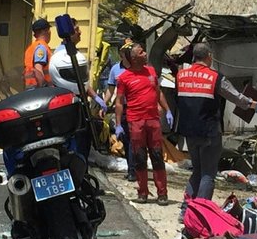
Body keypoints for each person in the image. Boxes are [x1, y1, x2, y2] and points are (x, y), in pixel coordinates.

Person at [176, 42, 257, 220]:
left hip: (189, 132)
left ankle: (185, 211)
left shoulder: (181, 75)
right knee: (208, 174)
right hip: (209, 132)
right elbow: (236, 97)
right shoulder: (215, 77)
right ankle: (199, 215)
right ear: (209, 56)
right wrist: (254, 105)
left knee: (197, 171)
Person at [114, 42, 174, 204]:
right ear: (134, 58)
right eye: (141, 52)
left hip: (153, 120)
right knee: (140, 157)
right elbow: (119, 102)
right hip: (135, 121)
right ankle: (142, 193)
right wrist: (118, 124)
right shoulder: (124, 78)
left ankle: (162, 193)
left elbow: (158, 92)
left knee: (157, 156)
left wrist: (167, 109)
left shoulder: (151, 72)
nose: (145, 54)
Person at [53, 17, 107, 114]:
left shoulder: (72, 52)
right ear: (69, 33)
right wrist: (95, 97)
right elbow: (77, 81)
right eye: (77, 29)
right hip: (70, 103)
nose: (80, 32)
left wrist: (96, 97)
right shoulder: (63, 54)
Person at [103, 40, 136, 181]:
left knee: (134, 140)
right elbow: (110, 90)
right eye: (124, 52)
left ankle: (134, 171)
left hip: (136, 108)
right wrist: (103, 104)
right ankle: (131, 169)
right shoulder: (115, 69)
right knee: (127, 140)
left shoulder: (137, 68)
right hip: (122, 108)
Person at [23, 18, 52, 88]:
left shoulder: (32, 47)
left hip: (31, 87)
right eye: (49, 30)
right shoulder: (41, 47)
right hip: (40, 88)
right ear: (45, 31)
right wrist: (42, 88)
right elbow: (38, 69)